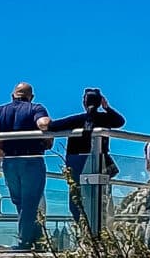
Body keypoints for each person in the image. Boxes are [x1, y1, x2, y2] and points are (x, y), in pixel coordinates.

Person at [0, 80, 52, 247]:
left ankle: (34, 239)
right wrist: (46, 134)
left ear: (12, 95)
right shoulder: (35, 108)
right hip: (31, 160)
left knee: (20, 201)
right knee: (31, 201)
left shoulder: (1, 110)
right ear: (31, 97)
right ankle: (25, 241)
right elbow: (44, 123)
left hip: (9, 162)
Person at [50, 87, 126, 224]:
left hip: (76, 162)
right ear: (100, 102)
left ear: (84, 103)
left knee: (76, 199)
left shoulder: (75, 120)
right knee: (99, 198)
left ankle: (82, 228)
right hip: (99, 163)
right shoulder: (105, 119)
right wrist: (107, 107)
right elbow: (120, 121)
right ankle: (98, 232)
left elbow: (52, 126)